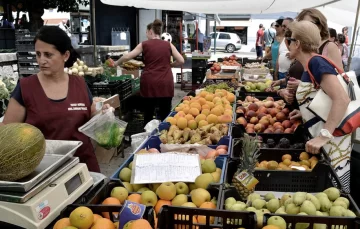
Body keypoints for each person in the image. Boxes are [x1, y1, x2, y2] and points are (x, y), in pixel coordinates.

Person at [1, 26, 112, 172]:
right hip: (44, 171)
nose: (42, 60)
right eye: (38, 54)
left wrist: (102, 112)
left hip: (83, 166)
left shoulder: (79, 83)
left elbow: (91, 114)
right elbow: (7, 135)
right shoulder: (26, 87)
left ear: (65, 55)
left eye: (48, 55)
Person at [287, 21, 351, 192]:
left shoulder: (317, 63)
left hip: (332, 140)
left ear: (298, 43)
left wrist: (324, 135)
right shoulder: (309, 65)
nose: (288, 44)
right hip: (323, 138)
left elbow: (341, 99)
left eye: (289, 40)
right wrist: (304, 112)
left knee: (333, 193)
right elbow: (321, 97)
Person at [115, 19, 184, 126]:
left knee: (148, 113)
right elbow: (181, 60)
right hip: (165, 83)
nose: (146, 35)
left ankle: (148, 137)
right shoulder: (168, 45)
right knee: (165, 114)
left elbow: (128, 56)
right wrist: (170, 65)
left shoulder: (144, 44)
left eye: (146, 32)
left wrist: (116, 63)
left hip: (149, 83)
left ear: (151, 31)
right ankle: (164, 134)